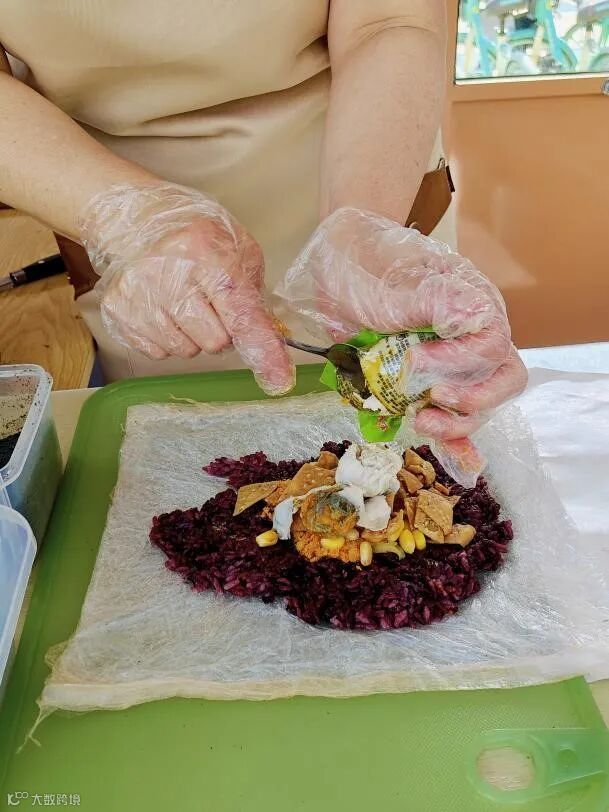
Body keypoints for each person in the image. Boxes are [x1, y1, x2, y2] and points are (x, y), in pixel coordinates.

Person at [0, 1, 526, 445]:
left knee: (412, 446)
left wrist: (362, 232)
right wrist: (131, 217)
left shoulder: (369, 226)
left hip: (372, 184)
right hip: (129, 232)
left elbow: (388, 20)